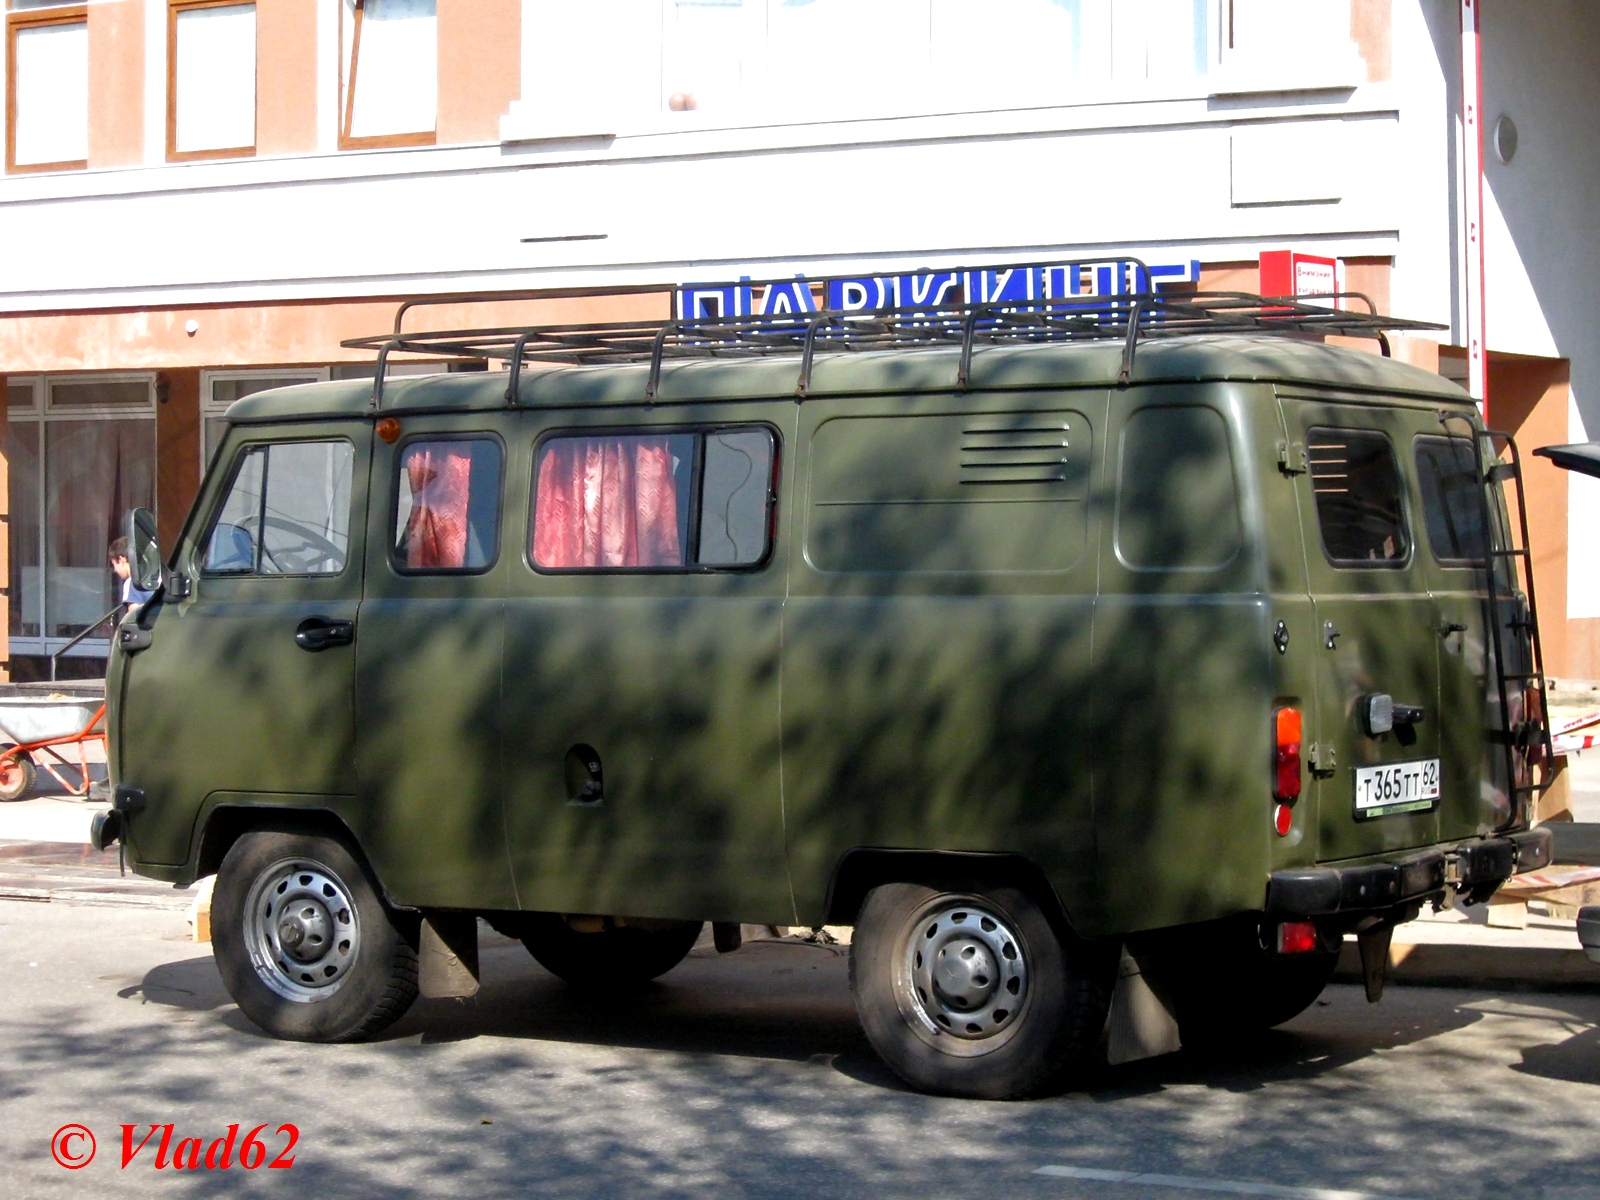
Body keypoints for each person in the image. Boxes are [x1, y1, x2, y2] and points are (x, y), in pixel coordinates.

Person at [109, 537, 155, 612]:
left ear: (121, 559)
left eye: (114, 564)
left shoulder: (132, 583)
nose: (115, 570)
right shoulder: (156, 578)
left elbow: (134, 615)